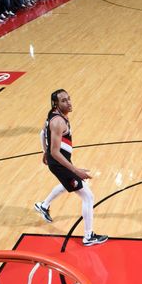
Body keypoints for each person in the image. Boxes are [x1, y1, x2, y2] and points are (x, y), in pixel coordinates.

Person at [34, 89, 108, 247]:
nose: (68, 103)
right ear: (56, 104)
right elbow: (55, 151)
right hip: (60, 163)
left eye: (69, 99)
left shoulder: (53, 115)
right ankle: (89, 236)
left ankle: (43, 205)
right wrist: (76, 170)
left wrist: (44, 151)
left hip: (59, 161)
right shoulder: (58, 122)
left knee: (66, 185)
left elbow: (42, 133)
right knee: (88, 196)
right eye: (63, 101)